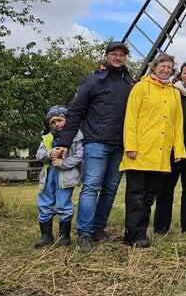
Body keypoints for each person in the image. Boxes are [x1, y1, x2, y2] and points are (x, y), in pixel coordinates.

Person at [55, 41, 134, 252]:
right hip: (96, 142)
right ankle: (85, 233)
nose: (118, 58)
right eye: (115, 54)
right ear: (107, 56)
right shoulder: (93, 81)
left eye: (122, 55)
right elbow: (75, 113)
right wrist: (64, 142)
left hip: (120, 145)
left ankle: (99, 228)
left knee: (110, 189)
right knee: (91, 187)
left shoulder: (130, 83)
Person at [120, 53, 186, 248]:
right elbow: (131, 118)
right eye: (162, 66)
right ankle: (134, 234)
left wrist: (179, 149)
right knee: (136, 195)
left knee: (150, 196)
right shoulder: (141, 88)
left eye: (169, 68)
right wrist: (130, 145)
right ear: (154, 67)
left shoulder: (174, 93)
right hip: (140, 150)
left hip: (160, 153)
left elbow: (177, 123)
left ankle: (139, 232)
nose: (165, 70)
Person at [154, 61, 186, 234]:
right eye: (185, 72)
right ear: (180, 74)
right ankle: (160, 227)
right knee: (165, 190)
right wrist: (175, 142)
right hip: (170, 149)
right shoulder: (171, 90)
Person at [34, 106, 84, 248]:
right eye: (53, 122)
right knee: (44, 202)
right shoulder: (47, 138)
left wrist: (63, 163)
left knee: (63, 203)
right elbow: (39, 155)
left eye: (60, 120)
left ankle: (64, 236)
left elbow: (79, 157)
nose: (57, 124)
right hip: (49, 177)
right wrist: (49, 154)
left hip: (65, 177)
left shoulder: (77, 137)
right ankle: (46, 235)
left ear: (67, 121)